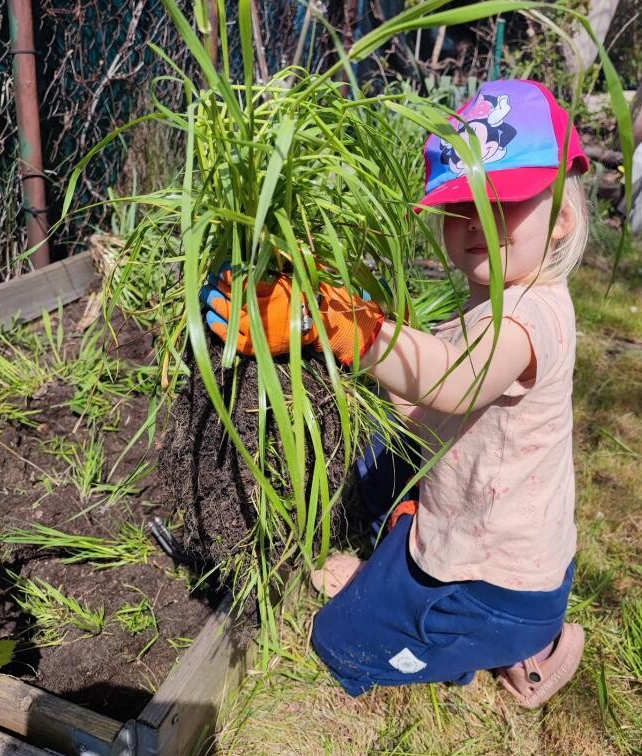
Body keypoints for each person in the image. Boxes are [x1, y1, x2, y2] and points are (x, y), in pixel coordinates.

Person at [201, 78, 589, 708]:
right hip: (477, 531)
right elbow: (422, 401)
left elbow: (454, 380)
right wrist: (354, 327)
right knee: (377, 463)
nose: (476, 221)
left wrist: (344, 325)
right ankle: (410, 571)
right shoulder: (490, 304)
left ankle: (520, 649)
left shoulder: (532, 315)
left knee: (339, 640)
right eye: (460, 205)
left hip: (498, 586)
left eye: (503, 202)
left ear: (562, 219)